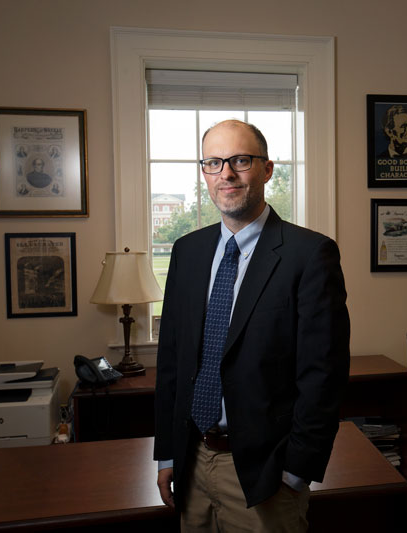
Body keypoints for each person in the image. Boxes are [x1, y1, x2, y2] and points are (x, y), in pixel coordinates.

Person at [154, 119, 351, 532]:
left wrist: (296, 471)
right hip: (191, 463)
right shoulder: (187, 252)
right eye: (213, 162)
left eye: (240, 160)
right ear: (204, 172)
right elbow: (172, 361)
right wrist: (169, 454)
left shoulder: (309, 255)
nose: (226, 173)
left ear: (266, 169)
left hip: (265, 475)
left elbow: (324, 375)